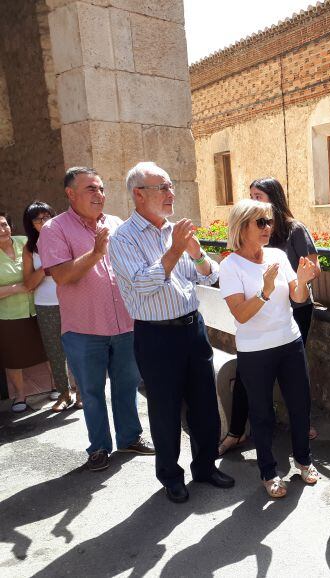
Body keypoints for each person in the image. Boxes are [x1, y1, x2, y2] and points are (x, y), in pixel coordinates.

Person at [109, 162, 234, 504]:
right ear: (138, 194)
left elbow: (210, 276)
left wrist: (195, 254)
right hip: (156, 336)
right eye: (162, 187)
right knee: (164, 411)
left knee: (205, 404)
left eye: (170, 186)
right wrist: (176, 249)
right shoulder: (124, 239)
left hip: (192, 328)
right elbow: (143, 285)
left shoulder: (173, 231)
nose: (171, 193)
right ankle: (170, 476)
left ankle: (205, 467)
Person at [38, 167, 154, 472]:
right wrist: (95, 252)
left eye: (101, 189)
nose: (99, 195)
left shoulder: (116, 223)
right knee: (91, 393)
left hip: (126, 325)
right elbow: (61, 276)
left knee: (127, 386)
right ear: (70, 194)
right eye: (91, 189)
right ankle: (99, 446)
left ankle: (130, 437)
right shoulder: (54, 229)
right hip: (84, 329)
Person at [218, 199, 318, 498]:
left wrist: (301, 281)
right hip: (255, 351)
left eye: (269, 222)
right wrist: (264, 291)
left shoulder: (277, 255)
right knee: (261, 414)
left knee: (300, 405)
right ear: (242, 226)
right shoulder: (230, 266)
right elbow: (241, 315)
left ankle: (304, 460)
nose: (268, 228)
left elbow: (297, 298)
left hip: (289, 342)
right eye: (260, 222)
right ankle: (268, 472)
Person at [22, 201, 81, 412]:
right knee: (55, 352)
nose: (44, 221)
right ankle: (64, 394)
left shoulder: (65, 239)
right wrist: (46, 269)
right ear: (31, 224)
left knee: (78, 347)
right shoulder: (29, 249)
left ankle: (81, 392)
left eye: (47, 216)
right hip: (45, 304)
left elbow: (76, 270)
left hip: (70, 299)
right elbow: (28, 284)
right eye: (38, 219)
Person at [0, 212, 47, 412]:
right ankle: (20, 396)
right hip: (9, 314)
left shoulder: (26, 242)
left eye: (4, 225)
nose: (2, 230)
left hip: (38, 305)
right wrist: (17, 288)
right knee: (13, 357)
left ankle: (58, 387)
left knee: (48, 349)